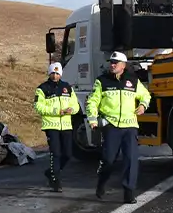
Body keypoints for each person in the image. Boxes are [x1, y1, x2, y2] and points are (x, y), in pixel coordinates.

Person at [86, 51, 151, 204]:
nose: (112, 64)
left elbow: (146, 95)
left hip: (130, 126)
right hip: (111, 126)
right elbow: (92, 102)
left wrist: (142, 105)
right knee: (108, 160)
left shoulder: (133, 81)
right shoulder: (102, 81)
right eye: (111, 62)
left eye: (116, 62)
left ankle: (129, 192)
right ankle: (101, 182)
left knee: (131, 159)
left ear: (123, 65)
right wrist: (93, 119)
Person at [35, 61, 80, 192]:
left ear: (61, 74)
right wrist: (55, 111)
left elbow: (76, 105)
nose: (55, 76)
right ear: (49, 73)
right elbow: (38, 106)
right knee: (56, 153)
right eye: (53, 73)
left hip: (66, 126)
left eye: (57, 73)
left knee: (68, 154)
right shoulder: (42, 88)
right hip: (51, 126)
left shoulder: (67, 87)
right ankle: (56, 181)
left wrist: (72, 110)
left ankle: (51, 172)